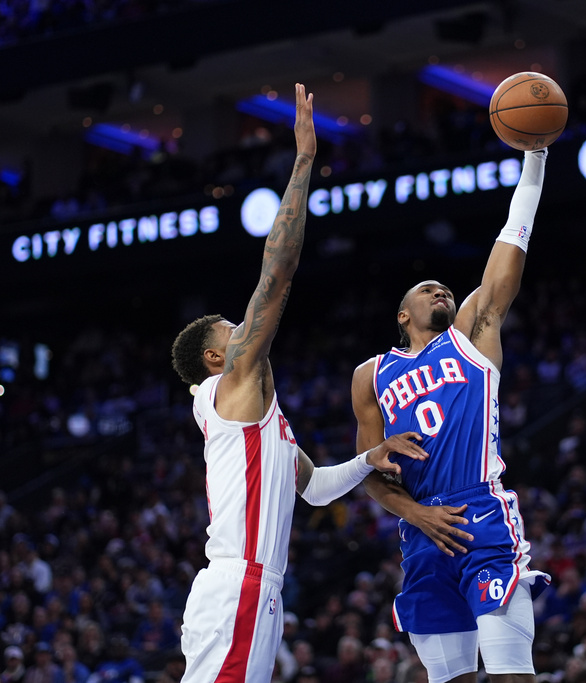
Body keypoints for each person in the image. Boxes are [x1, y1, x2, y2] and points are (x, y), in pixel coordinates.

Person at [169, 84, 433, 683]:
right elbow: (277, 273)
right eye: (233, 330)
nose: (245, 330)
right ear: (216, 357)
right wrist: (304, 161)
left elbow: (313, 489)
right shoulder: (230, 388)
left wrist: (371, 456)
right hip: (240, 582)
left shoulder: (257, 422)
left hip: (253, 588)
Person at [351, 147, 552, 683]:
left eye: (444, 287)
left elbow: (511, 239)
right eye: (425, 288)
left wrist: (535, 160)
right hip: (420, 531)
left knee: (511, 674)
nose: (439, 289)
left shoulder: (471, 336)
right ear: (402, 314)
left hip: (479, 513)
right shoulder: (370, 375)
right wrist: (413, 514)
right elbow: (367, 471)